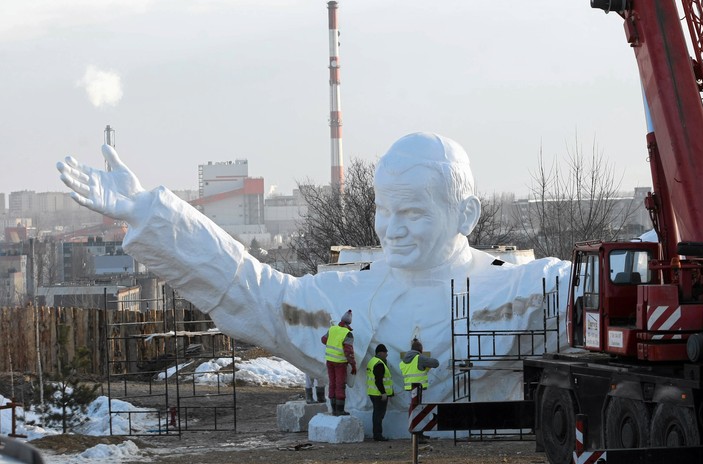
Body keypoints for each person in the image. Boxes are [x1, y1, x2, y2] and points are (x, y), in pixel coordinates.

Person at [56, 132, 569, 434]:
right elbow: (248, 287)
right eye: (384, 211)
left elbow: (626, 283)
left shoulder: (523, 292)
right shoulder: (343, 297)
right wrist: (151, 212)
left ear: (466, 213)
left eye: (412, 212)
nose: (392, 229)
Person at [321, 310, 356, 415]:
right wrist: (353, 365)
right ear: (349, 323)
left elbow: (323, 340)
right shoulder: (347, 334)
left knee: (332, 383)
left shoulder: (332, 329)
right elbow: (348, 352)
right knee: (340, 385)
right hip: (340, 363)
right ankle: (340, 410)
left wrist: (333, 341)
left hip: (330, 361)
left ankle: (333, 409)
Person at [366, 343, 394, 441]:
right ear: (380, 353)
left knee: (377, 414)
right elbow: (378, 380)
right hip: (378, 394)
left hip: (373, 393)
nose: (387, 354)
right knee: (379, 415)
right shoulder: (379, 364)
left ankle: (377, 434)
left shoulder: (372, 361)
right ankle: (378, 435)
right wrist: (383, 393)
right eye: (385, 352)